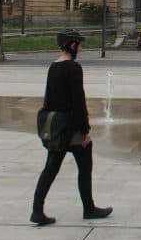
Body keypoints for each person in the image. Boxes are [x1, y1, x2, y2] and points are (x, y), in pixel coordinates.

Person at [31, 29, 111, 226]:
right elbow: (78, 102)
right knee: (85, 168)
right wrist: (85, 130)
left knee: (50, 169)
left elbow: (48, 98)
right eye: (79, 44)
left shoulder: (53, 66)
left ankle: (37, 210)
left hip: (57, 127)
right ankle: (89, 208)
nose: (81, 48)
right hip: (72, 128)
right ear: (72, 45)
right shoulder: (73, 68)